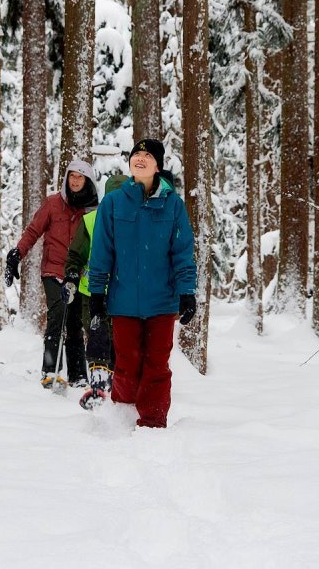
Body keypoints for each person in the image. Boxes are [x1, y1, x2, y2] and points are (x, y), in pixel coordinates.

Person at [87, 139, 196, 428]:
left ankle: (152, 423)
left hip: (162, 301)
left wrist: (187, 292)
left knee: (157, 365)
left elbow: (182, 252)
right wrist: (97, 293)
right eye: (137, 153)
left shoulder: (173, 205)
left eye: (148, 155)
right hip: (123, 302)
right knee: (126, 363)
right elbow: (101, 252)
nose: (140, 158)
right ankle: (123, 416)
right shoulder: (113, 202)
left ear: (157, 166)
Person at [5, 160, 99, 388]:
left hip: (78, 273)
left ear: (87, 181)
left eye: (80, 177)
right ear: (66, 178)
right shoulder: (53, 204)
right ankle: (50, 370)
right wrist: (17, 253)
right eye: (72, 176)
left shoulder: (93, 209)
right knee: (58, 314)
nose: (75, 181)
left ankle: (78, 376)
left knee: (75, 321)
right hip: (53, 270)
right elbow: (33, 230)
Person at [63, 173, 130, 404]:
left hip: (122, 293)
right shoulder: (91, 220)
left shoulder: (135, 222)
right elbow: (76, 254)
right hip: (90, 291)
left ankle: (115, 387)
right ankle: (98, 385)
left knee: (118, 339)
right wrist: (71, 275)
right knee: (97, 334)